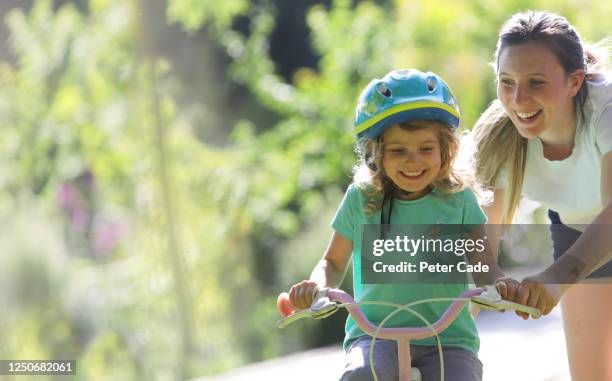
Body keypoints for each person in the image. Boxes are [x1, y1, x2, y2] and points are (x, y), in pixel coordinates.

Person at [288, 69, 511, 381]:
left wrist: (499, 286)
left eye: (426, 149)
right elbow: (332, 261)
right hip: (375, 335)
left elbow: (484, 265)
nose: (413, 160)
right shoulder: (362, 199)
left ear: (445, 148)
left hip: (447, 338)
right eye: (398, 151)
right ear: (376, 153)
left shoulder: (459, 200)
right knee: (362, 374)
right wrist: (317, 287)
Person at [472, 11, 612, 380]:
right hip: (578, 231)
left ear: (574, 81)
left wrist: (556, 277)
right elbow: (481, 241)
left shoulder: (606, 110)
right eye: (507, 82)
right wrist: (490, 284)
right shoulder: (500, 137)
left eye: (536, 82)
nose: (519, 99)